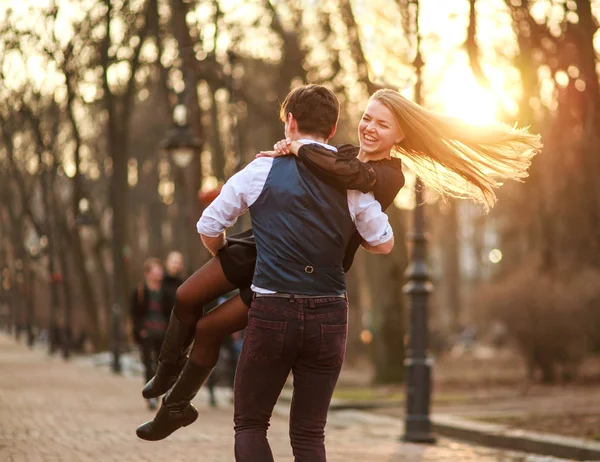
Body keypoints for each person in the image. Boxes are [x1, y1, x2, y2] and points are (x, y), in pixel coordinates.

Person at [136, 86, 541, 440]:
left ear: (400, 135)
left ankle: (175, 408)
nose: (368, 127)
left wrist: (297, 148)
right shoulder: (340, 154)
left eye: (381, 124)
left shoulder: (383, 175)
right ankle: (168, 385)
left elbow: (345, 173)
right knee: (188, 296)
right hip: (263, 248)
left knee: (209, 327)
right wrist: (286, 153)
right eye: (366, 117)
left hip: (293, 277)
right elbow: (318, 166)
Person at [205, 84, 394, 460]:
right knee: (309, 434)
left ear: (290, 122)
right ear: (334, 127)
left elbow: (209, 224)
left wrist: (224, 253)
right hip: (329, 312)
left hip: (273, 311)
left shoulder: (262, 167)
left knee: (251, 423)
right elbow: (384, 241)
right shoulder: (349, 181)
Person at [130, 258, 171, 410]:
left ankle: (161, 392)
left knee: (162, 366)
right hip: (146, 333)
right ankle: (151, 396)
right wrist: (140, 330)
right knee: (148, 365)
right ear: (147, 273)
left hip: (163, 333)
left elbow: (170, 312)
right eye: (155, 270)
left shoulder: (165, 292)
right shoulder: (140, 291)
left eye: (160, 270)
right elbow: (134, 314)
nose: (159, 273)